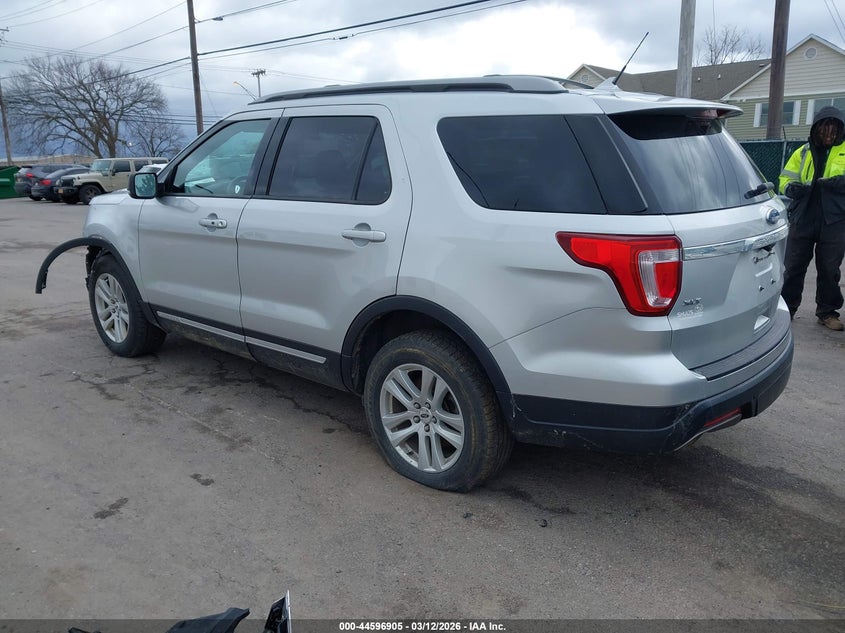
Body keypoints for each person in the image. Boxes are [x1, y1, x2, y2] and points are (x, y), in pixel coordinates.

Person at [779, 105, 845, 331]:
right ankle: (786, 308)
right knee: (793, 266)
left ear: (840, 131)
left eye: (833, 132)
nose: (828, 136)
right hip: (803, 216)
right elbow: (785, 178)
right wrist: (791, 188)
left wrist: (841, 183)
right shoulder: (803, 152)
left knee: (829, 268)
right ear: (816, 130)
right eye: (824, 131)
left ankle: (827, 312)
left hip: (835, 219)